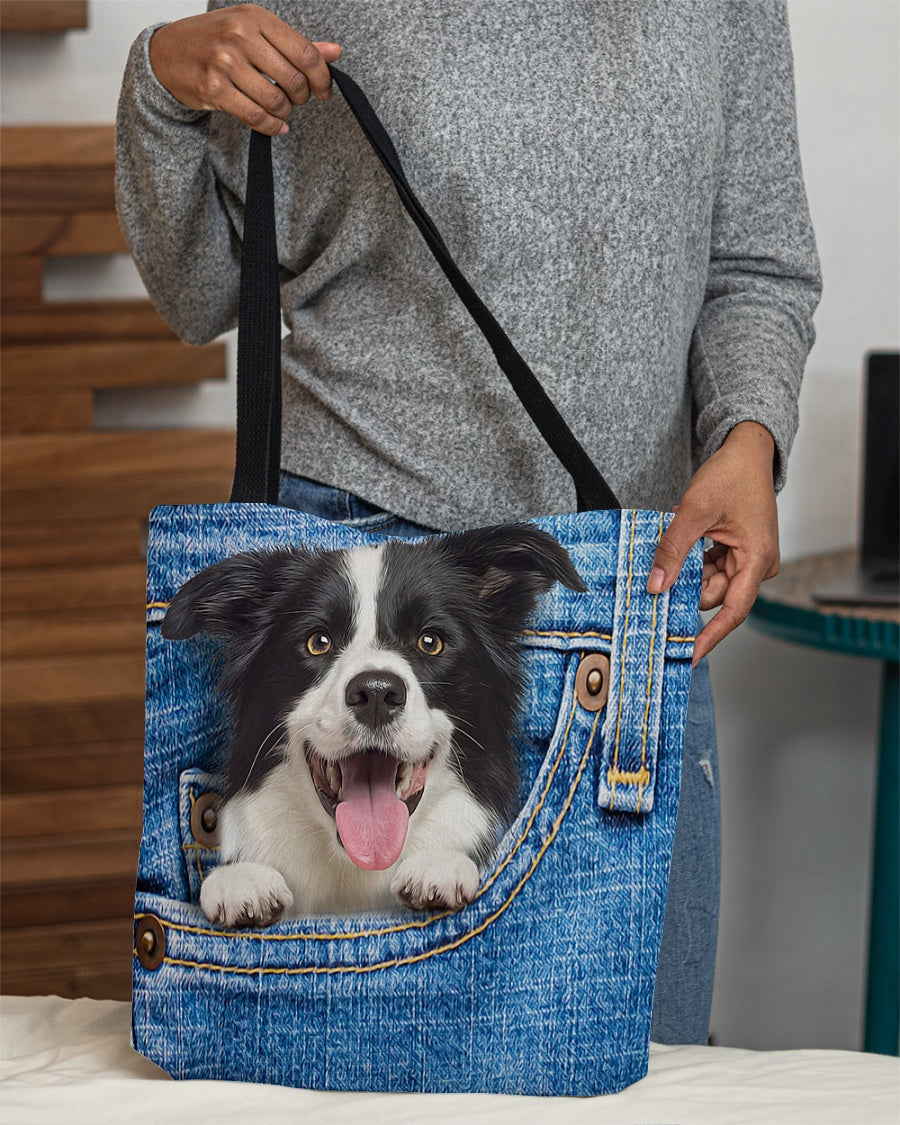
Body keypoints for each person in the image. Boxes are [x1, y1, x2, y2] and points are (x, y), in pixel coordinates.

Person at [115, 0, 821, 1044]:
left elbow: (757, 264)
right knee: (328, 1071)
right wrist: (160, 84)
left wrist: (750, 436)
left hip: (624, 589)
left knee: (642, 1057)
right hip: (343, 580)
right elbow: (201, 293)